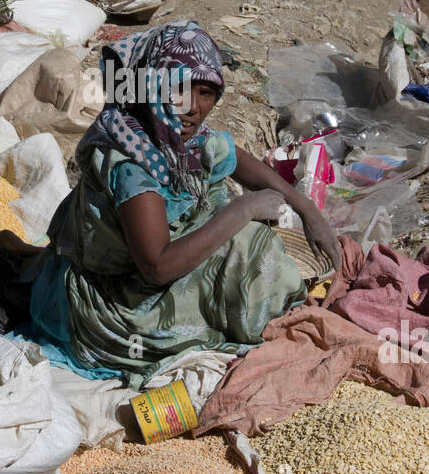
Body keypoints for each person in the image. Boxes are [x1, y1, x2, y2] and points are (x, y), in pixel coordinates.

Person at [23, 20, 341, 387]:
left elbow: (235, 160)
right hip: (117, 309)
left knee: (244, 239)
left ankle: (265, 309)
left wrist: (307, 209)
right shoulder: (131, 165)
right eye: (178, 89)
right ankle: (259, 321)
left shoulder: (181, 138)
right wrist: (245, 209)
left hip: (146, 274)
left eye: (205, 92)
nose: (192, 107)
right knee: (249, 246)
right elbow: (157, 267)